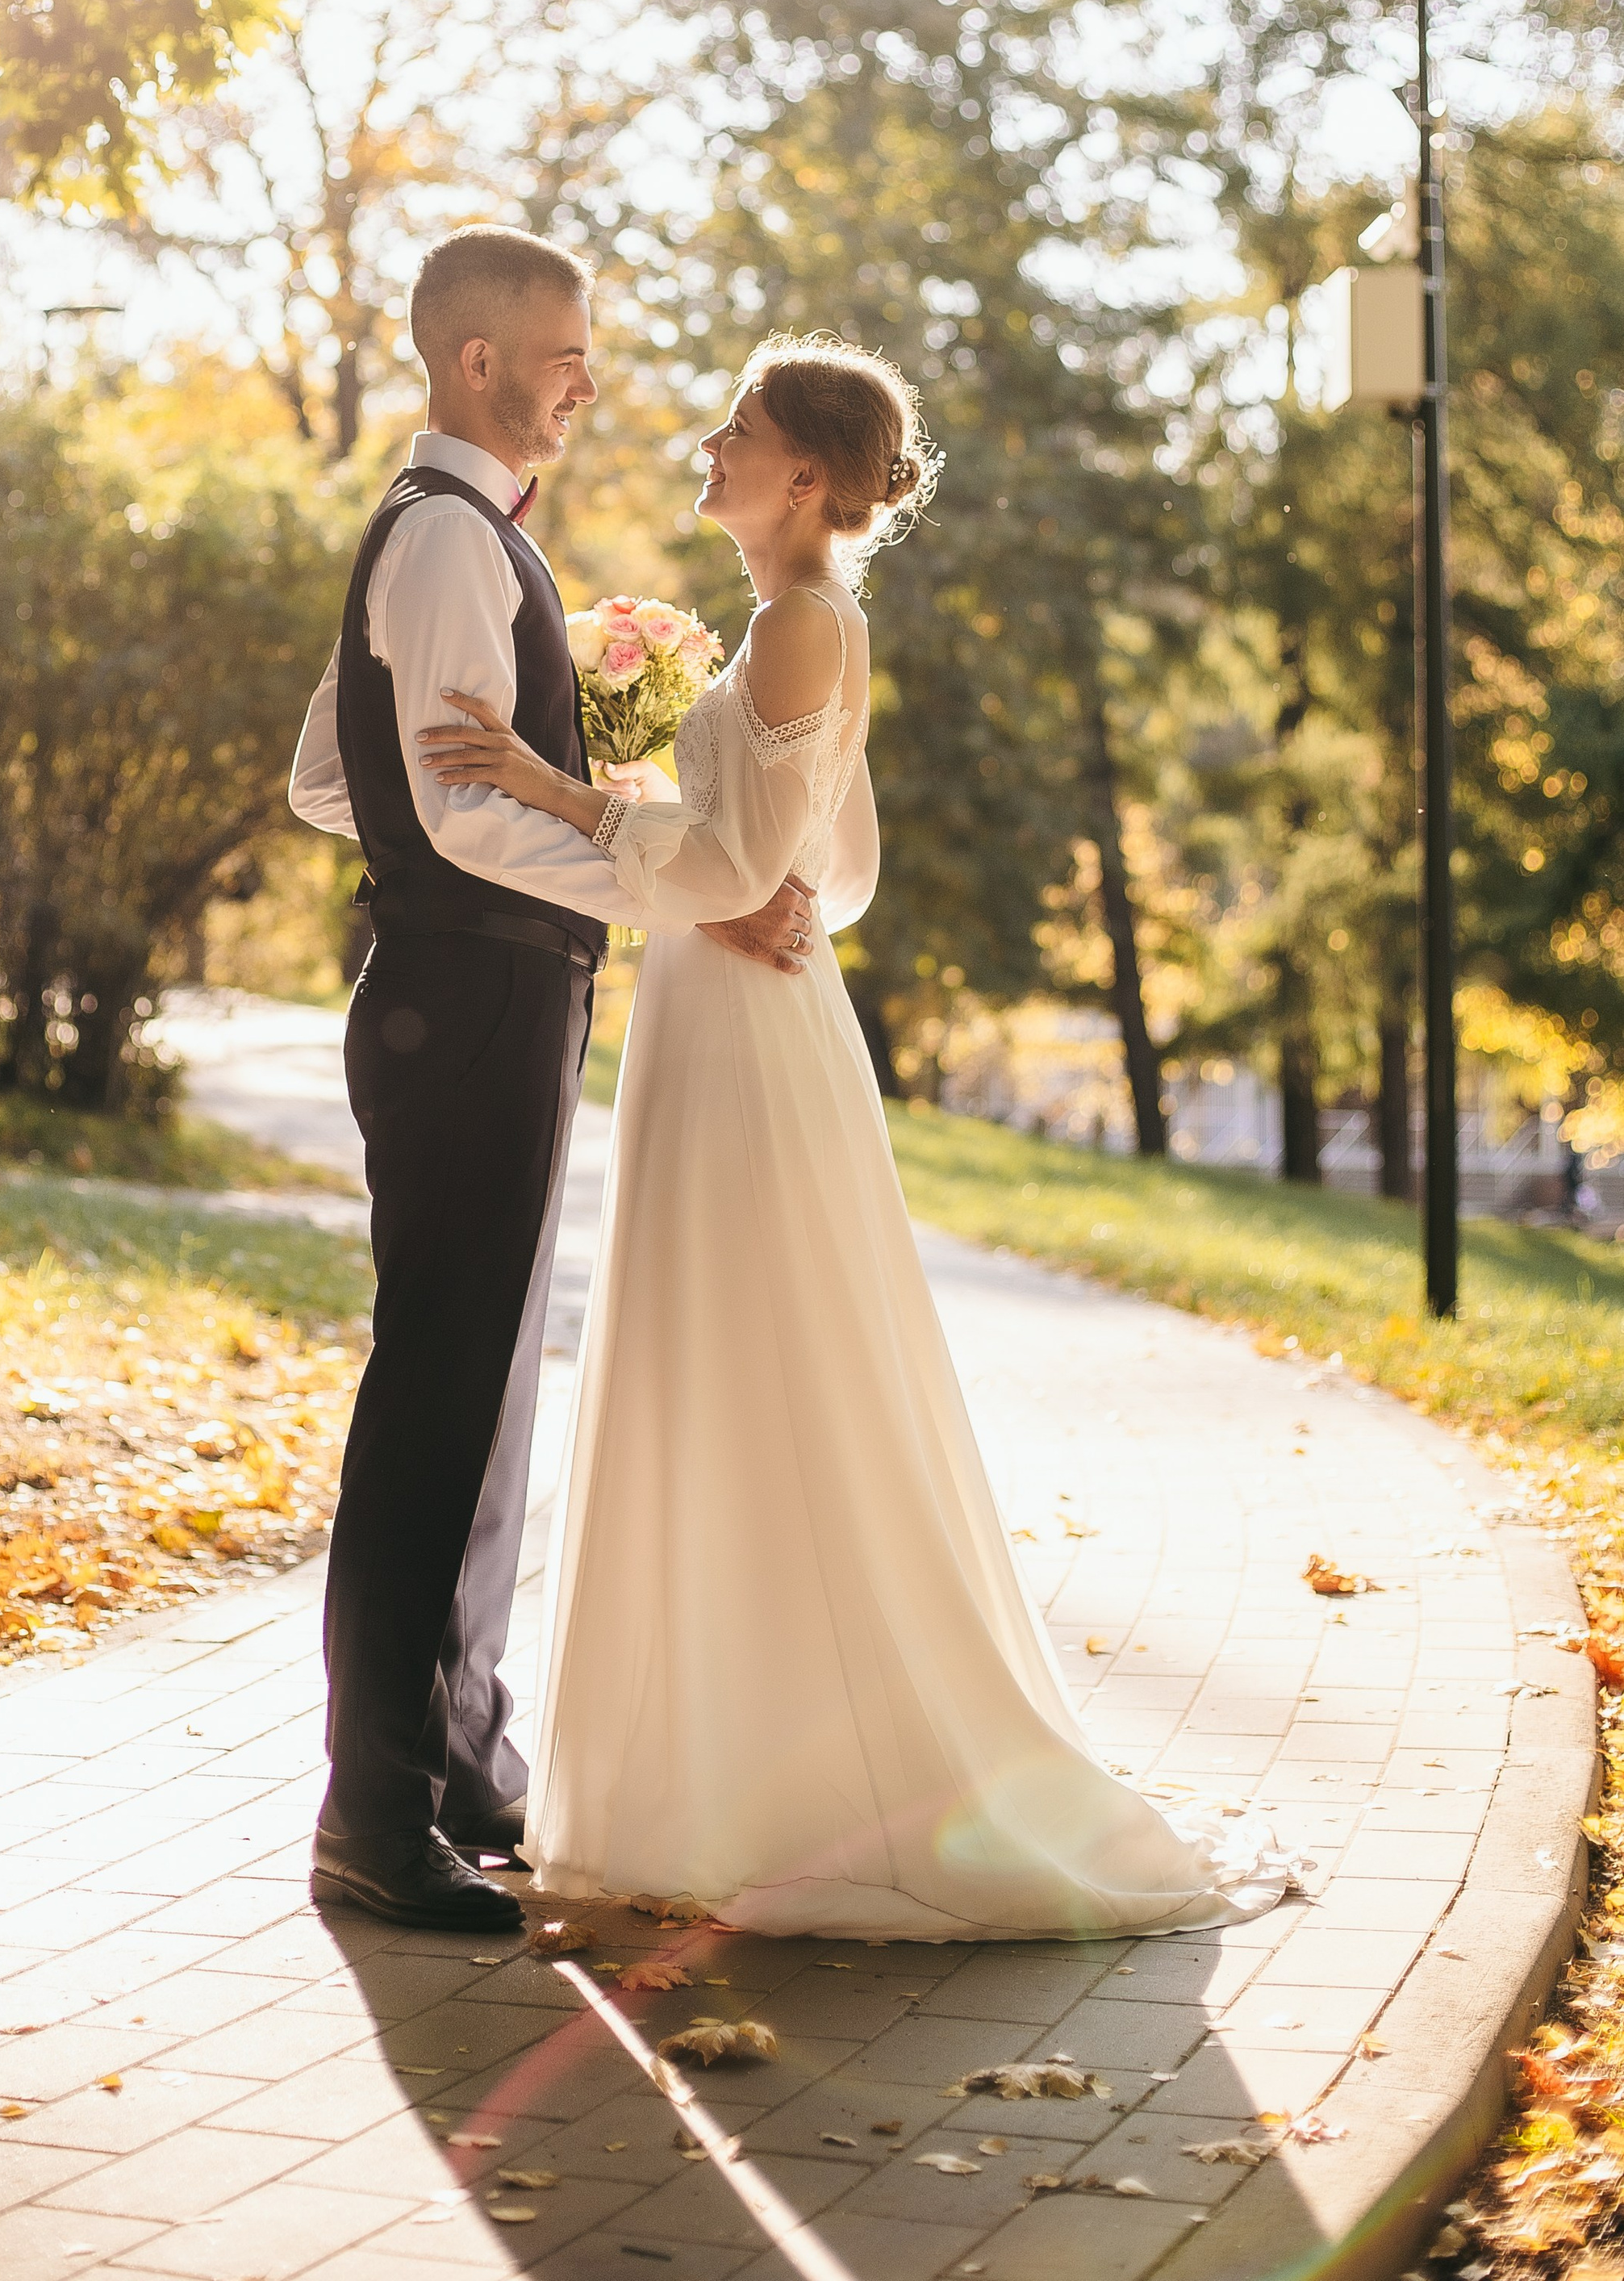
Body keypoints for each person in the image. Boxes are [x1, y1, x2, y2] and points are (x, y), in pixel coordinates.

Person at [418, 334, 1288, 1940]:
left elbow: (742, 870)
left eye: (735, 428)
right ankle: (728, 1766)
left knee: (757, 1366)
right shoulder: (805, 622)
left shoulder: (801, 623)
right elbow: (836, 868)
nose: (707, 443)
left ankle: (787, 1777)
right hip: (739, 1019)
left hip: (745, 1043)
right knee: (738, 1363)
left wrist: (552, 783)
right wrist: (749, 870)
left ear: (803, 474)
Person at [286, 231, 816, 1935]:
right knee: (439, 1395)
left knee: (491, 1382)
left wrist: (519, 815)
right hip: (467, 1001)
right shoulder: (450, 536)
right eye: (564, 353)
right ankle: (373, 1816)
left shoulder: (448, 530)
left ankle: (457, 1761)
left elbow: (328, 780)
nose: (587, 381)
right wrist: (679, 889)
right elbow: (448, 812)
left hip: (482, 993)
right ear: (477, 363)